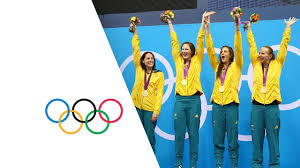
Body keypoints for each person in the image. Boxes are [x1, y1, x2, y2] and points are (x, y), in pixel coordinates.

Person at [246, 17, 297, 168]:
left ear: (270, 56)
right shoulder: (255, 63)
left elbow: (284, 46)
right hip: (257, 107)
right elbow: (251, 45)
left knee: (273, 139)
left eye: (263, 53)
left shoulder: (277, 63)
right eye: (259, 53)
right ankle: (256, 165)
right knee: (257, 139)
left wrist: (287, 28)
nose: (259, 55)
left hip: (272, 107)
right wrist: (248, 30)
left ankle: (274, 165)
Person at [164, 11, 214, 168]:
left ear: (192, 51)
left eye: (187, 49)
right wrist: (169, 23)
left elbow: (200, 40)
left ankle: (193, 165)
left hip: (194, 101)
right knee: (179, 134)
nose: (184, 51)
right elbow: (174, 41)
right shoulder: (178, 60)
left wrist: (202, 22)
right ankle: (178, 164)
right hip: (180, 100)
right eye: (182, 49)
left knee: (194, 135)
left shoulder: (198, 60)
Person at [204, 13, 243, 168]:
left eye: (225, 51)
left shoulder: (237, 65)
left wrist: (237, 27)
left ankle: (234, 165)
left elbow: (239, 48)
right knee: (218, 139)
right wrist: (207, 29)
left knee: (233, 140)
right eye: (222, 52)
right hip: (217, 107)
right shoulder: (217, 67)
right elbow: (210, 50)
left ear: (231, 54)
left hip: (231, 106)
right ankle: (219, 165)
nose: (222, 53)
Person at [130, 23, 165, 153]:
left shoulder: (159, 74)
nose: (150, 60)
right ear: (143, 61)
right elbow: (136, 50)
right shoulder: (139, 70)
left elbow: (160, 94)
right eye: (148, 58)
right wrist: (135, 33)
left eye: (152, 58)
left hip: (150, 109)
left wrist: (156, 111)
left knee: (149, 138)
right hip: (136, 106)